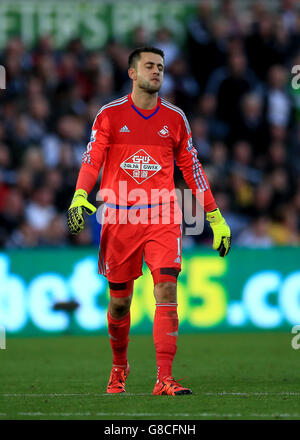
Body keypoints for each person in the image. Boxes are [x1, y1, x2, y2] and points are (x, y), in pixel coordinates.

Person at [67, 47, 231, 396]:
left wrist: (216, 218)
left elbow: (193, 170)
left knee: (167, 289)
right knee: (120, 302)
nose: (156, 72)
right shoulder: (110, 114)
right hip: (119, 217)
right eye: (149, 66)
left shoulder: (175, 118)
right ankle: (119, 367)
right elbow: (92, 157)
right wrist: (81, 193)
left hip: (163, 216)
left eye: (161, 67)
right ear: (132, 73)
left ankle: (164, 379)